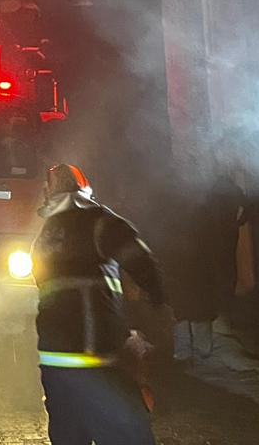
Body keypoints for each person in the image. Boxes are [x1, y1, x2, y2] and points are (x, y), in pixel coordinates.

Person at [32, 163, 164, 445]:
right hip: (96, 355)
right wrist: (156, 300)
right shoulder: (100, 222)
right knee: (129, 435)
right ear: (85, 191)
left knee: (69, 436)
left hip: (55, 361)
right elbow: (141, 261)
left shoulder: (44, 236)